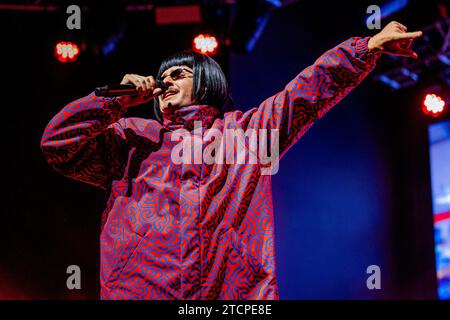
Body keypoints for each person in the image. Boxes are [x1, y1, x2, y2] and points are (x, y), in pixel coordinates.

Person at [41, 21, 422, 299]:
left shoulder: (249, 134)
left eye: (180, 73)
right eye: (162, 78)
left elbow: (306, 93)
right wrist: (114, 101)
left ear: (206, 81)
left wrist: (368, 46)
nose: (167, 82)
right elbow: (58, 144)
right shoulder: (132, 137)